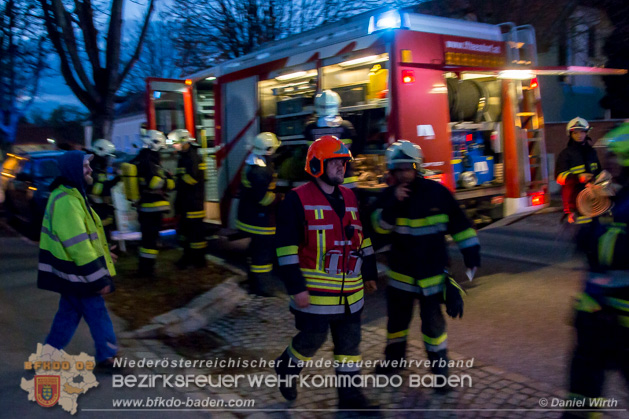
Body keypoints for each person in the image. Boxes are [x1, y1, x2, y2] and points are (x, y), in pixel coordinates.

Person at [273, 135, 378, 410]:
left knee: (349, 346)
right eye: (335, 162)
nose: (342, 167)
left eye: (344, 162)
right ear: (318, 164)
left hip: (351, 295)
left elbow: (362, 237)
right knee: (311, 341)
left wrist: (369, 272)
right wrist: (296, 287)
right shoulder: (297, 200)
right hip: (316, 296)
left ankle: (351, 399)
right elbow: (285, 249)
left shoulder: (351, 196)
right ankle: (286, 366)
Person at [371, 140, 480, 388]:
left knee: (434, 328)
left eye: (405, 169)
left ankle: (441, 376)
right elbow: (376, 230)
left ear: (416, 167)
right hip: (400, 278)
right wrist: (392, 205)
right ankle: (392, 366)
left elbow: (461, 225)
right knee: (396, 326)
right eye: (396, 170)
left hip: (432, 278)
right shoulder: (388, 196)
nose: (401, 175)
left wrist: (471, 254)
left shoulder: (437, 194)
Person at [563, 123, 629, 418]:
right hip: (598, 316)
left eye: (615, 157)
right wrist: (588, 216)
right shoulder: (616, 195)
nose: (609, 163)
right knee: (582, 394)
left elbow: (611, 250)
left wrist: (595, 229)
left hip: (619, 318)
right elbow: (591, 248)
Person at [38, 150, 120, 370]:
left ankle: (49, 356)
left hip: (72, 272)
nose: (90, 170)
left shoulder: (72, 195)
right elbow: (78, 246)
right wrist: (99, 278)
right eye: (85, 166)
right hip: (79, 273)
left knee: (68, 314)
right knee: (97, 312)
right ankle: (107, 357)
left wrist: (104, 255)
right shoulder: (67, 200)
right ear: (74, 170)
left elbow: (85, 237)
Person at [236, 132, 281, 296]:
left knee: (255, 249)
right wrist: (280, 198)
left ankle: (253, 280)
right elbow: (264, 199)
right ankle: (261, 287)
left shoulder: (253, 161)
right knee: (262, 253)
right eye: (274, 149)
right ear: (268, 150)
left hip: (249, 216)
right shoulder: (260, 171)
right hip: (259, 220)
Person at [135, 130, 174, 276]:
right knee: (150, 240)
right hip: (152, 207)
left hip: (146, 206)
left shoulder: (142, 158)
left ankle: (146, 267)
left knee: (148, 239)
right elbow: (153, 182)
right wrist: (168, 179)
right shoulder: (149, 160)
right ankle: (147, 270)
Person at [304, 90, 358, 188]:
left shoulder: (309, 128)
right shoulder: (346, 127)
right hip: (346, 182)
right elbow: (355, 150)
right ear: (337, 105)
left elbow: (308, 155)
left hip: (320, 184)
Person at [169, 129, 207, 269]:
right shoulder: (184, 156)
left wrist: (176, 181)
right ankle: (187, 257)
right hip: (185, 202)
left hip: (193, 203)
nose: (174, 146)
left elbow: (193, 179)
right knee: (185, 233)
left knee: (196, 234)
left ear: (185, 141)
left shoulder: (193, 157)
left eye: (176, 143)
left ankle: (199, 261)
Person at [555, 117, 602, 224]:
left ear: (587, 133)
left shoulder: (591, 152)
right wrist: (579, 177)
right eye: (575, 132)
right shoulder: (566, 154)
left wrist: (600, 182)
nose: (579, 135)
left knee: (595, 228)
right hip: (575, 200)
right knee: (582, 229)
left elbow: (598, 172)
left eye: (582, 132)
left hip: (593, 199)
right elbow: (560, 177)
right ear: (570, 134)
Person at [88, 139, 119, 243]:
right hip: (96, 209)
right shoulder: (92, 169)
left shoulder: (97, 167)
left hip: (101, 209)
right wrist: (115, 181)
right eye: (107, 157)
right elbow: (97, 190)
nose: (108, 160)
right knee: (101, 239)